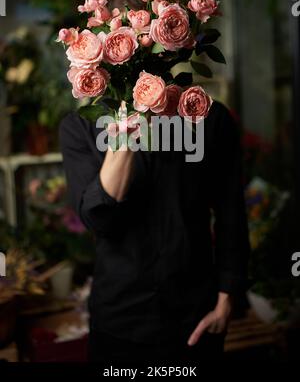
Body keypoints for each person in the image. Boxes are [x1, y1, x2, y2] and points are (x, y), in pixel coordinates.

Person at [58, 97, 250, 365]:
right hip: (120, 321)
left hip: (196, 318)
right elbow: (100, 221)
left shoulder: (208, 115)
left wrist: (226, 300)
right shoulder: (81, 126)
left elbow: (232, 214)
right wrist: (125, 131)